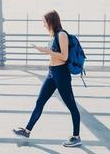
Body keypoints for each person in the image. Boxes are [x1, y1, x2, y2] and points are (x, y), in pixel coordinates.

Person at [12, 10, 82, 147]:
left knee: (71, 105)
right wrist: (43, 49)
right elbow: (55, 53)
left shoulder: (62, 34)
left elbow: (64, 57)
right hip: (52, 73)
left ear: (51, 21)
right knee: (40, 101)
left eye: (44, 22)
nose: (43, 25)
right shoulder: (54, 35)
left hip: (61, 74)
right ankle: (27, 130)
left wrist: (46, 51)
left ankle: (76, 136)